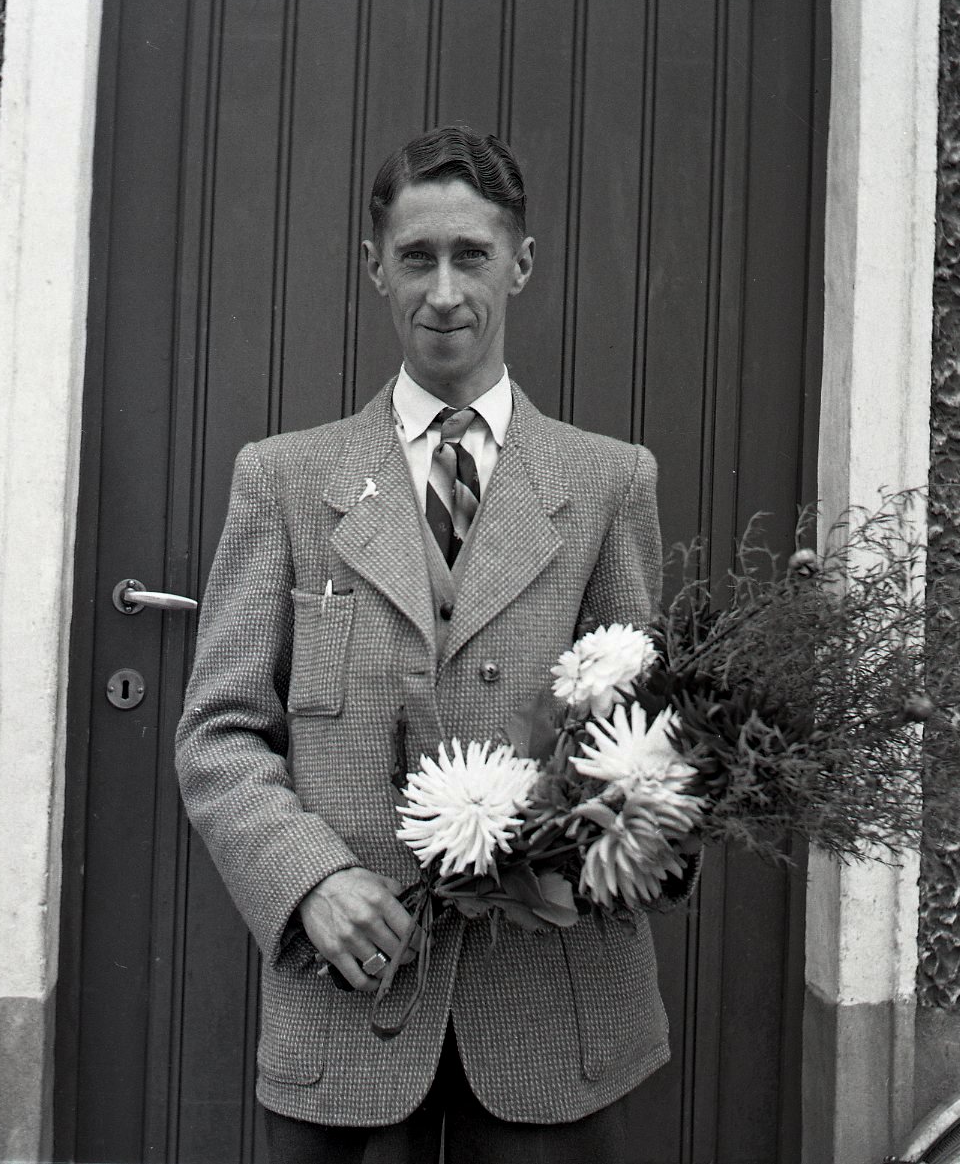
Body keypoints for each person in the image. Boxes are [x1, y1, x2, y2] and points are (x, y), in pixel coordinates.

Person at [175, 125, 695, 1164]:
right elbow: (219, 733)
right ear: (376, 268)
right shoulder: (283, 481)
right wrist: (310, 882)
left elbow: (651, 743)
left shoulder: (607, 482)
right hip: (350, 1002)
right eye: (417, 258)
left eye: (471, 255)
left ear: (521, 264)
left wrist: (594, 841)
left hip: (552, 1012)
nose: (445, 291)